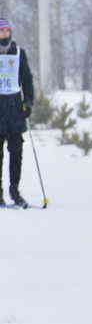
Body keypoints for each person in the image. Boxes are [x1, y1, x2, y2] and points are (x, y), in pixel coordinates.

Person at [0, 17, 34, 208]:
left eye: (7, 31)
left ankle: (15, 190)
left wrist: (28, 103)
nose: (4, 34)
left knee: (16, 152)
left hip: (14, 109)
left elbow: (27, 81)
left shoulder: (20, 53)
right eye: (1, 31)